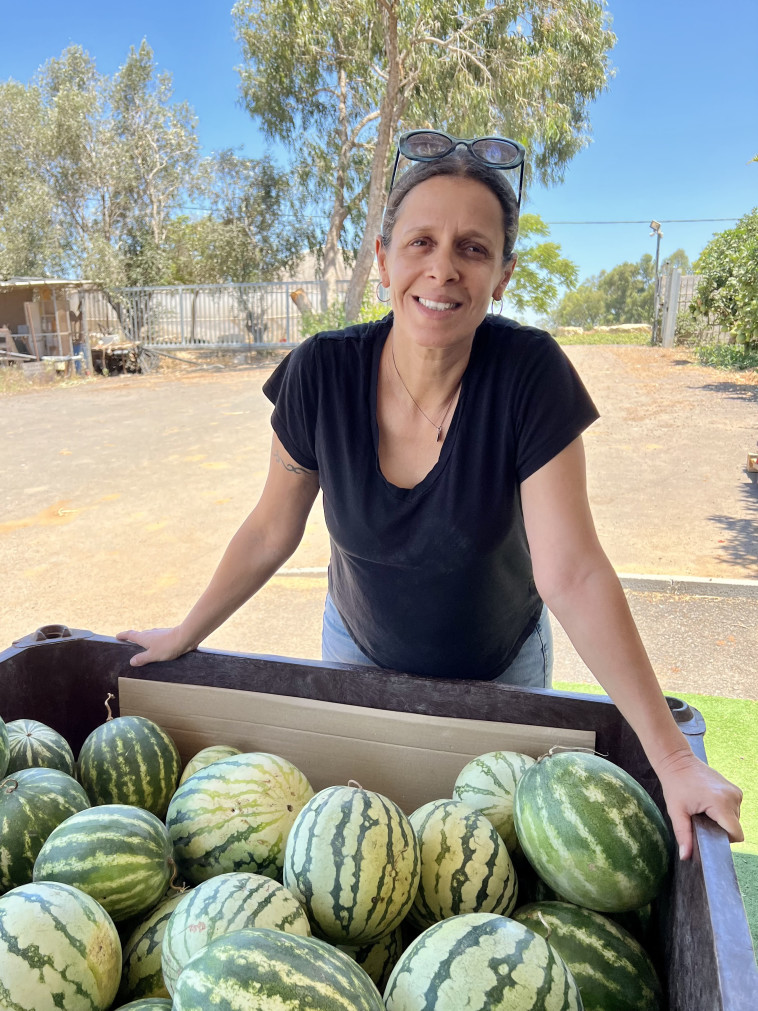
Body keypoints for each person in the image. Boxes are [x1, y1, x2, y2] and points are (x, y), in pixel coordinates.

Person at [118, 129, 743, 861]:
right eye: (420, 242)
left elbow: (570, 571)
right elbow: (268, 531)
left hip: (502, 671)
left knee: (482, 861)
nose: (442, 268)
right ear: (383, 259)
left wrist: (671, 759)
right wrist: (183, 634)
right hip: (358, 656)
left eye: (473, 248)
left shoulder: (529, 376)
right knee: (363, 857)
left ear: (503, 273)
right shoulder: (320, 375)